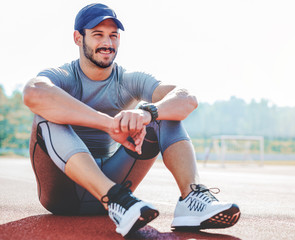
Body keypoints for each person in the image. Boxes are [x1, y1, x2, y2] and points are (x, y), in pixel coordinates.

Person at [23, 3, 241, 237]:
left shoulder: (128, 79)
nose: (108, 43)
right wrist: (108, 124)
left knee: (164, 113)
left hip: (116, 186)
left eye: (113, 36)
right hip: (63, 195)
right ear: (78, 38)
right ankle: (117, 200)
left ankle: (191, 198)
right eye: (98, 35)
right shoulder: (63, 76)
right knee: (45, 114)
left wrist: (148, 112)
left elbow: (187, 98)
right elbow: (33, 92)